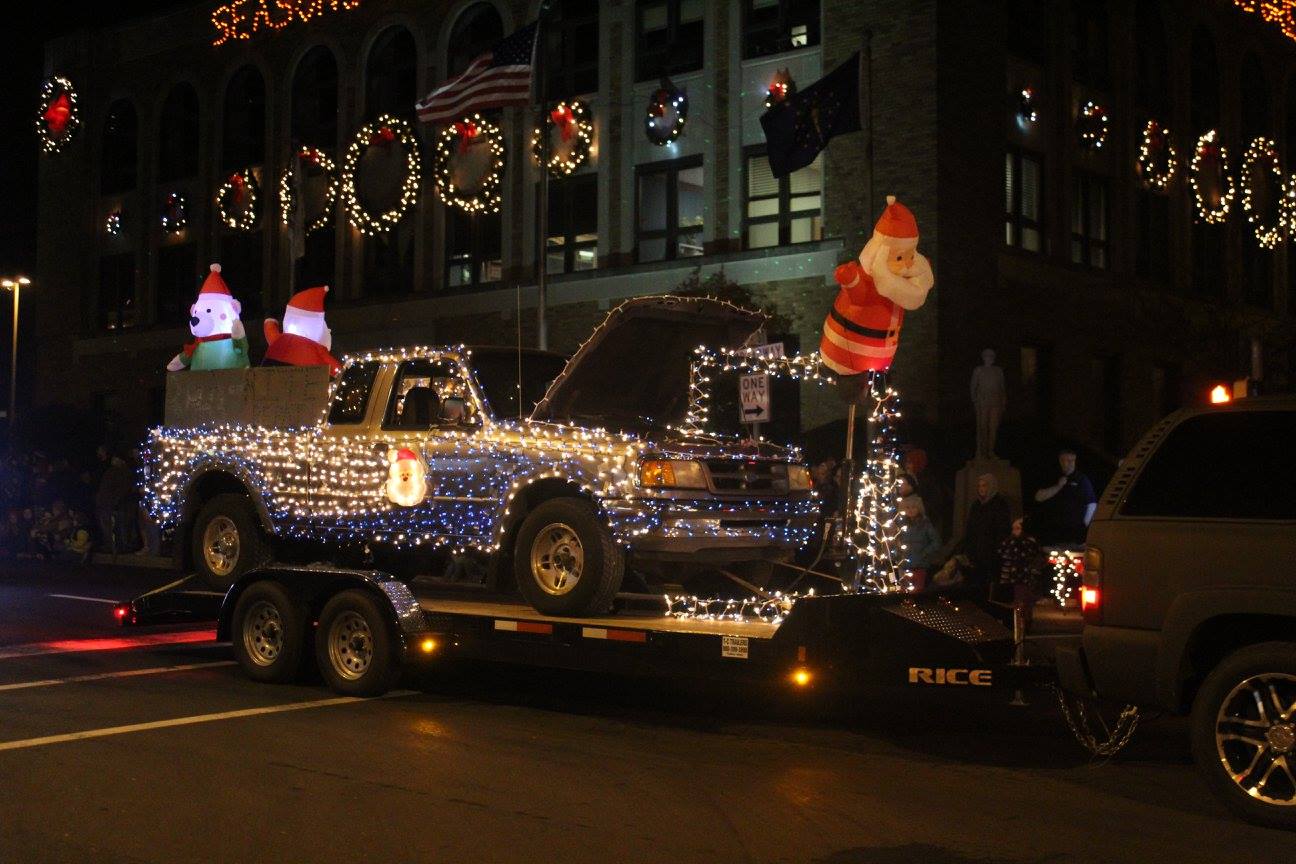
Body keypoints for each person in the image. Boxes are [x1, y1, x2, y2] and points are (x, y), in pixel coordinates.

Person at [959, 473, 1013, 599]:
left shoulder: (1000, 505)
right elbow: (970, 529)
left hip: (992, 555)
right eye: (979, 486)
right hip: (976, 554)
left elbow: (1002, 530)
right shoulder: (976, 505)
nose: (981, 489)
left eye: (984, 486)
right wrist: (970, 550)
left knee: (991, 588)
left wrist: (996, 551)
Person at [1034, 449, 1097, 545]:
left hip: (1074, 531)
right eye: (1066, 460)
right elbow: (1039, 497)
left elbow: (1091, 504)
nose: (1070, 463)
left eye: (1072, 460)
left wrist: (1085, 525)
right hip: (1052, 531)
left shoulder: (1081, 479)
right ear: (1060, 461)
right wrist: (1058, 486)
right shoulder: (1052, 476)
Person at [996, 516, 1047, 628]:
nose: (1015, 531)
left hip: (1023, 578)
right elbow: (1001, 553)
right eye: (1013, 528)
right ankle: (1012, 623)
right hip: (1010, 579)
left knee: (1023, 601)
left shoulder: (1029, 543)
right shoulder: (1009, 541)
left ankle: (1024, 623)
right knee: (1012, 602)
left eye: (1018, 528)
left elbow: (1036, 557)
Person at [900, 496, 942, 591]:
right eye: (908, 507)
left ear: (919, 508)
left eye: (913, 507)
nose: (910, 510)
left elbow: (936, 542)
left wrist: (924, 553)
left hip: (920, 565)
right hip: (904, 566)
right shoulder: (901, 525)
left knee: (917, 592)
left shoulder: (925, 524)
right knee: (904, 592)